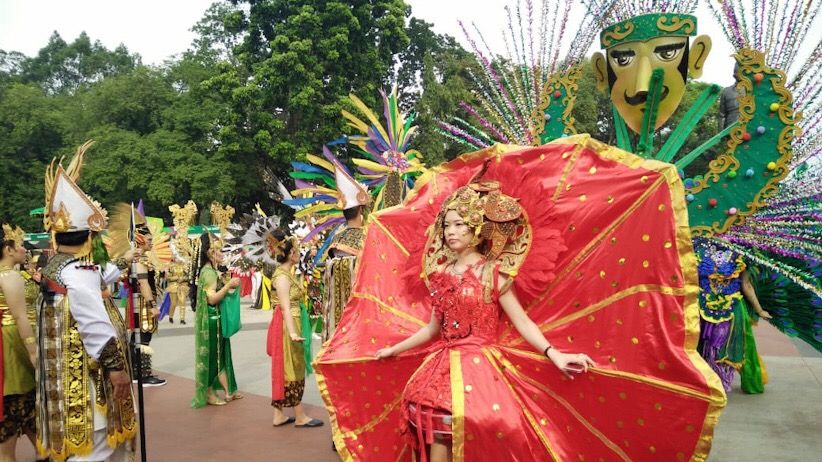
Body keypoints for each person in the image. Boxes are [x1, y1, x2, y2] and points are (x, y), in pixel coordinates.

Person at [372, 183, 594, 462]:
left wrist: (555, 354)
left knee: (478, 431)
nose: (451, 231)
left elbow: (523, 323)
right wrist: (394, 350)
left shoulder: (493, 274)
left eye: (459, 224)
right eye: (447, 226)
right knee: (437, 428)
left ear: (477, 228)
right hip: (441, 369)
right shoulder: (440, 275)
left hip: (482, 371)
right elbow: (432, 330)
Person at [36, 141, 137, 461]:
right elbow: (95, 324)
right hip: (85, 384)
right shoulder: (77, 271)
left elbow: (101, 275)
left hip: (64, 383)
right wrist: (117, 369)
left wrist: (127, 259)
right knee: (96, 451)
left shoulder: (58, 266)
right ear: (88, 237)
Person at [696, 241, 771, 394]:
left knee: (723, 344)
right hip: (702, 307)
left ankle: (720, 383)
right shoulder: (697, 247)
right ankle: (706, 381)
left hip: (732, 308)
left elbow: (746, 284)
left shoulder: (742, 251)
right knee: (703, 345)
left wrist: (759, 309)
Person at [269, 230, 323, 428]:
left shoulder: (287, 275)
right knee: (293, 367)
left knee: (286, 367)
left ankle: (278, 414)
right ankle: (300, 416)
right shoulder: (282, 277)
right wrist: (293, 333)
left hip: (293, 322)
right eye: (297, 250)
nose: (299, 253)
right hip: (289, 325)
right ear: (291, 254)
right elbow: (285, 307)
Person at [0, 224, 38, 462]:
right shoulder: (9, 276)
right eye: (20, 245)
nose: (24, 249)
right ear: (9, 249)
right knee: (21, 399)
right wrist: (33, 351)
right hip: (11, 343)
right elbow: (20, 316)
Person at [191, 233, 242, 407]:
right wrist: (228, 286)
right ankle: (209, 393)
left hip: (216, 317)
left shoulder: (210, 271)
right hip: (213, 319)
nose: (222, 253)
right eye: (219, 250)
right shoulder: (209, 273)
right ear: (210, 253)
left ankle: (228, 390)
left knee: (221, 354)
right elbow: (211, 299)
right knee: (215, 357)